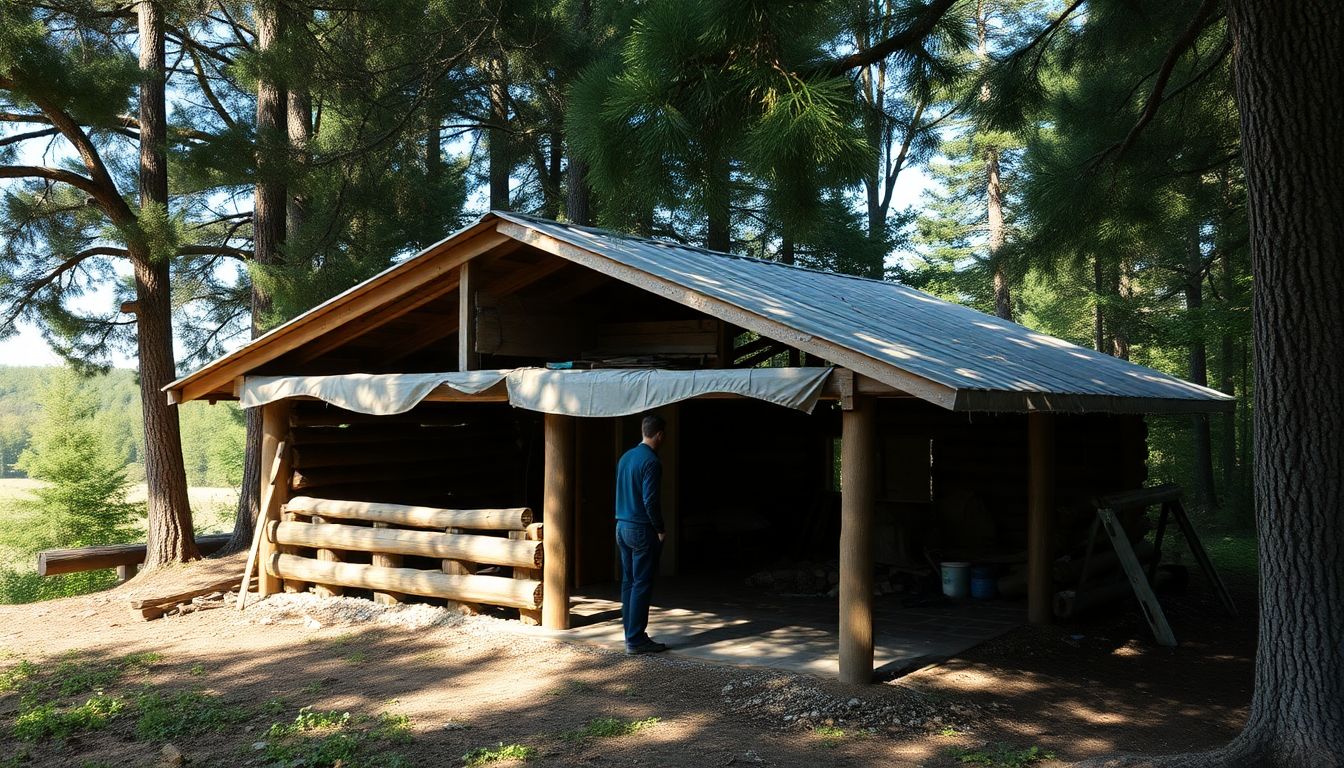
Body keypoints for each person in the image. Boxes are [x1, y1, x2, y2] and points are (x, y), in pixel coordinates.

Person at [615, 414, 668, 654]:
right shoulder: (651, 462)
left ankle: (630, 633)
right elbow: (650, 500)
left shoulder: (626, 457)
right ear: (660, 435)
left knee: (628, 582)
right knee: (642, 584)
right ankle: (636, 640)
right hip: (640, 528)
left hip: (621, 525)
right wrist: (659, 528)